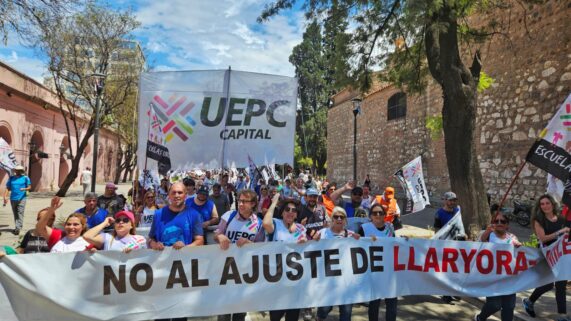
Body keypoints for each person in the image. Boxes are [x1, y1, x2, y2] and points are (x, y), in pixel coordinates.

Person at [215, 189, 266, 321]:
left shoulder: (258, 223)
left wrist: (249, 243)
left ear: (253, 204)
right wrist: (220, 237)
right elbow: (217, 234)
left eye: (245, 201)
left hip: (245, 272)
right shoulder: (229, 216)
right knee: (224, 311)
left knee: (240, 311)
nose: (241, 204)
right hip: (226, 270)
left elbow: (261, 248)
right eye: (239, 200)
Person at [522, 194, 570, 321]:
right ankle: (529, 301)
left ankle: (562, 315)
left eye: (547, 203)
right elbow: (543, 238)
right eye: (542, 204)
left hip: (560, 254)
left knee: (561, 283)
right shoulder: (538, 220)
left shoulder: (561, 218)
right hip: (547, 255)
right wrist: (560, 232)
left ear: (553, 204)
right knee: (548, 285)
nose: (545, 206)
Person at [262, 193, 307, 321]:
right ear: (281, 213)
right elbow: (266, 223)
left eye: (294, 210)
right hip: (276, 283)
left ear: (297, 215)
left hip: (295, 283)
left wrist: (305, 243)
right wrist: (274, 202)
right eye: (287, 209)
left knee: (292, 317)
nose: (290, 212)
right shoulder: (275, 224)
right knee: (275, 317)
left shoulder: (301, 229)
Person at [314, 206, 360, 321]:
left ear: (345, 220)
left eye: (342, 217)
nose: (339, 219)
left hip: (346, 282)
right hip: (327, 281)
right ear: (332, 218)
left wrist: (364, 240)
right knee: (324, 309)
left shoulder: (351, 235)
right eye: (336, 216)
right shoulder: (323, 233)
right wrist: (313, 240)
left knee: (346, 313)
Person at [475, 211, 521, 321]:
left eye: (503, 221)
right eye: (496, 221)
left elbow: (517, 245)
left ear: (507, 225)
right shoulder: (488, 235)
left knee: (509, 307)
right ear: (493, 223)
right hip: (492, 278)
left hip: (508, 278)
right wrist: (487, 231)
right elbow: (479, 242)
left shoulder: (512, 237)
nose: (499, 223)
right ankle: (480, 317)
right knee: (494, 305)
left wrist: (519, 245)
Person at [358, 204, 397, 321]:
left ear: (385, 215)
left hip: (390, 271)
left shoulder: (390, 228)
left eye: (380, 212)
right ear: (370, 216)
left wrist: (404, 241)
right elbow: (356, 247)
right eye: (375, 213)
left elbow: (395, 244)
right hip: (373, 271)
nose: (378, 215)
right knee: (374, 303)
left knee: (392, 303)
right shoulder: (364, 228)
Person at [148, 182, 204, 250]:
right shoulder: (158, 214)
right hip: (162, 258)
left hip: (184, 259)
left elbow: (200, 241)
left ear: (185, 195)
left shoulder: (194, 214)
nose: (176, 195)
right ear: (169, 195)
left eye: (180, 192)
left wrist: (185, 248)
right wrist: (155, 245)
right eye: (173, 193)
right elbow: (151, 238)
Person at [3, 165, 31, 235]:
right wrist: (5, 197)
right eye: (16, 170)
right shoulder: (11, 178)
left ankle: (18, 228)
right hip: (13, 198)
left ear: (21, 171)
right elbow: (8, 188)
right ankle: (17, 226)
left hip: (22, 198)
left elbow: (29, 187)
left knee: (20, 213)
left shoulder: (25, 178)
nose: (17, 171)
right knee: (15, 213)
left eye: (19, 170)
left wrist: (24, 189)